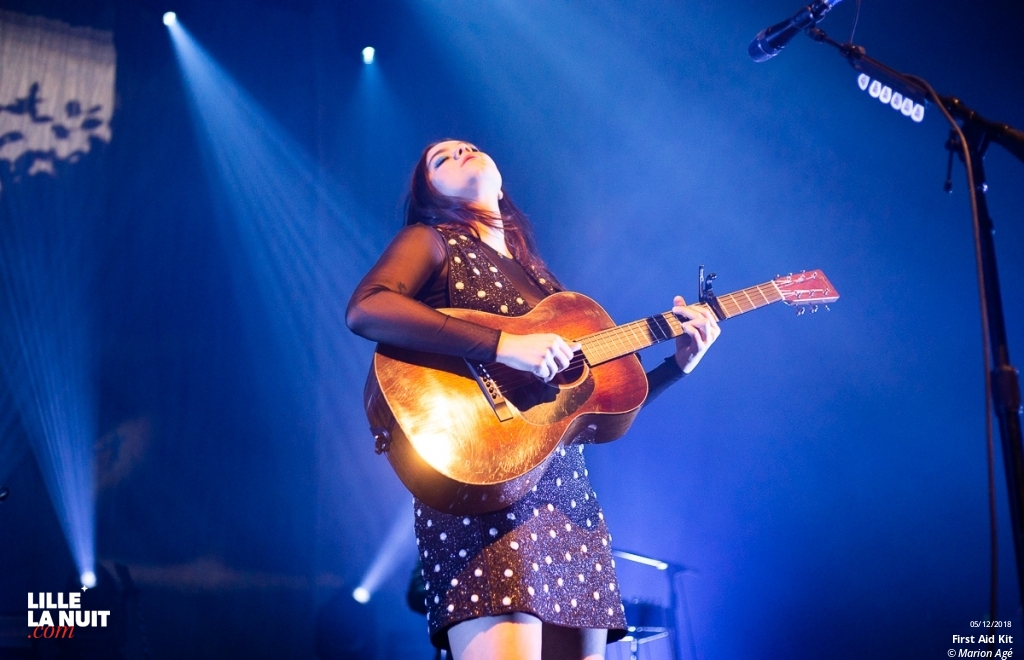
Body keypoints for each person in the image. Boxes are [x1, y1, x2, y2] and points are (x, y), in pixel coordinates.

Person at [346, 140, 720, 660]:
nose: (458, 152)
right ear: (429, 195)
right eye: (441, 159)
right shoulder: (432, 241)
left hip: (570, 507)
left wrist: (677, 366)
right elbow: (367, 308)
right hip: (482, 489)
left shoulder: (545, 283)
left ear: (501, 181)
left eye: (468, 148)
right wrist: (505, 344)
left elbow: (593, 405)